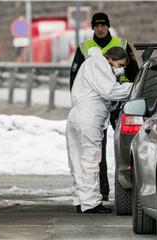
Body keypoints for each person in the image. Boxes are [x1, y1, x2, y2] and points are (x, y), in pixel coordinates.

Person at [69, 12, 139, 201]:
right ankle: (99, 194)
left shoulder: (121, 44)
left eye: (103, 25)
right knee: (93, 155)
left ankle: (87, 198)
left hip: (114, 106)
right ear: (93, 27)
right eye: (97, 25)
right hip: (95, 108)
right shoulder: (87, 51)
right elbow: (107, 89)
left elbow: (135, 72)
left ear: (108, 26)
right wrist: (135, 89)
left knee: (109, 150)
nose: (100, 28)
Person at [66, 47, 133, 213]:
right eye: (120, 64)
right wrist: (135, 87)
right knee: (90, 158)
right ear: (110, 58)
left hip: (78, 115)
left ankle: (80, 200)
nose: (120, 69)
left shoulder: (91, 64)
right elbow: (110, 91)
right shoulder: (99, 64)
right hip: (89, 116)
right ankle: (91, 203)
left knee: (77, 160)